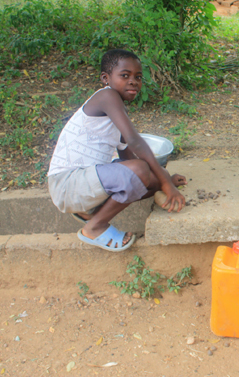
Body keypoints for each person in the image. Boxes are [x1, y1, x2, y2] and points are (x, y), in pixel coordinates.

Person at [47, 49, 186, 252]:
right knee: (141, 171)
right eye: (125, 75)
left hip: (84, 182)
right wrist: (165, 183)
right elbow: (135, 142)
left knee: (148, 175)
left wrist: (164, 181)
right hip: (67, 185)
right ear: (106, 78)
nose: (133, 81)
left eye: (138, 77)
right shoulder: (107, 96)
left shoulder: (115, 112)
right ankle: (95, 226)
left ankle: (89, 211)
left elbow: (128, 159)